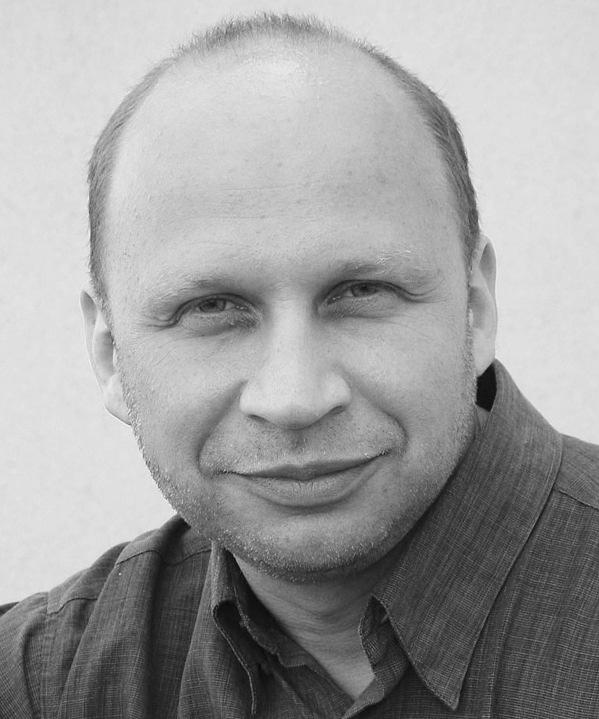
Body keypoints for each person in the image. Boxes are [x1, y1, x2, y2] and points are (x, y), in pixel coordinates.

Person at [1, 12, 598, 719]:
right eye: (212, 307)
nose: (294, 397)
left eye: (360, 291)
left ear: (475, 308)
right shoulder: (37, 683)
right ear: (108, 354)